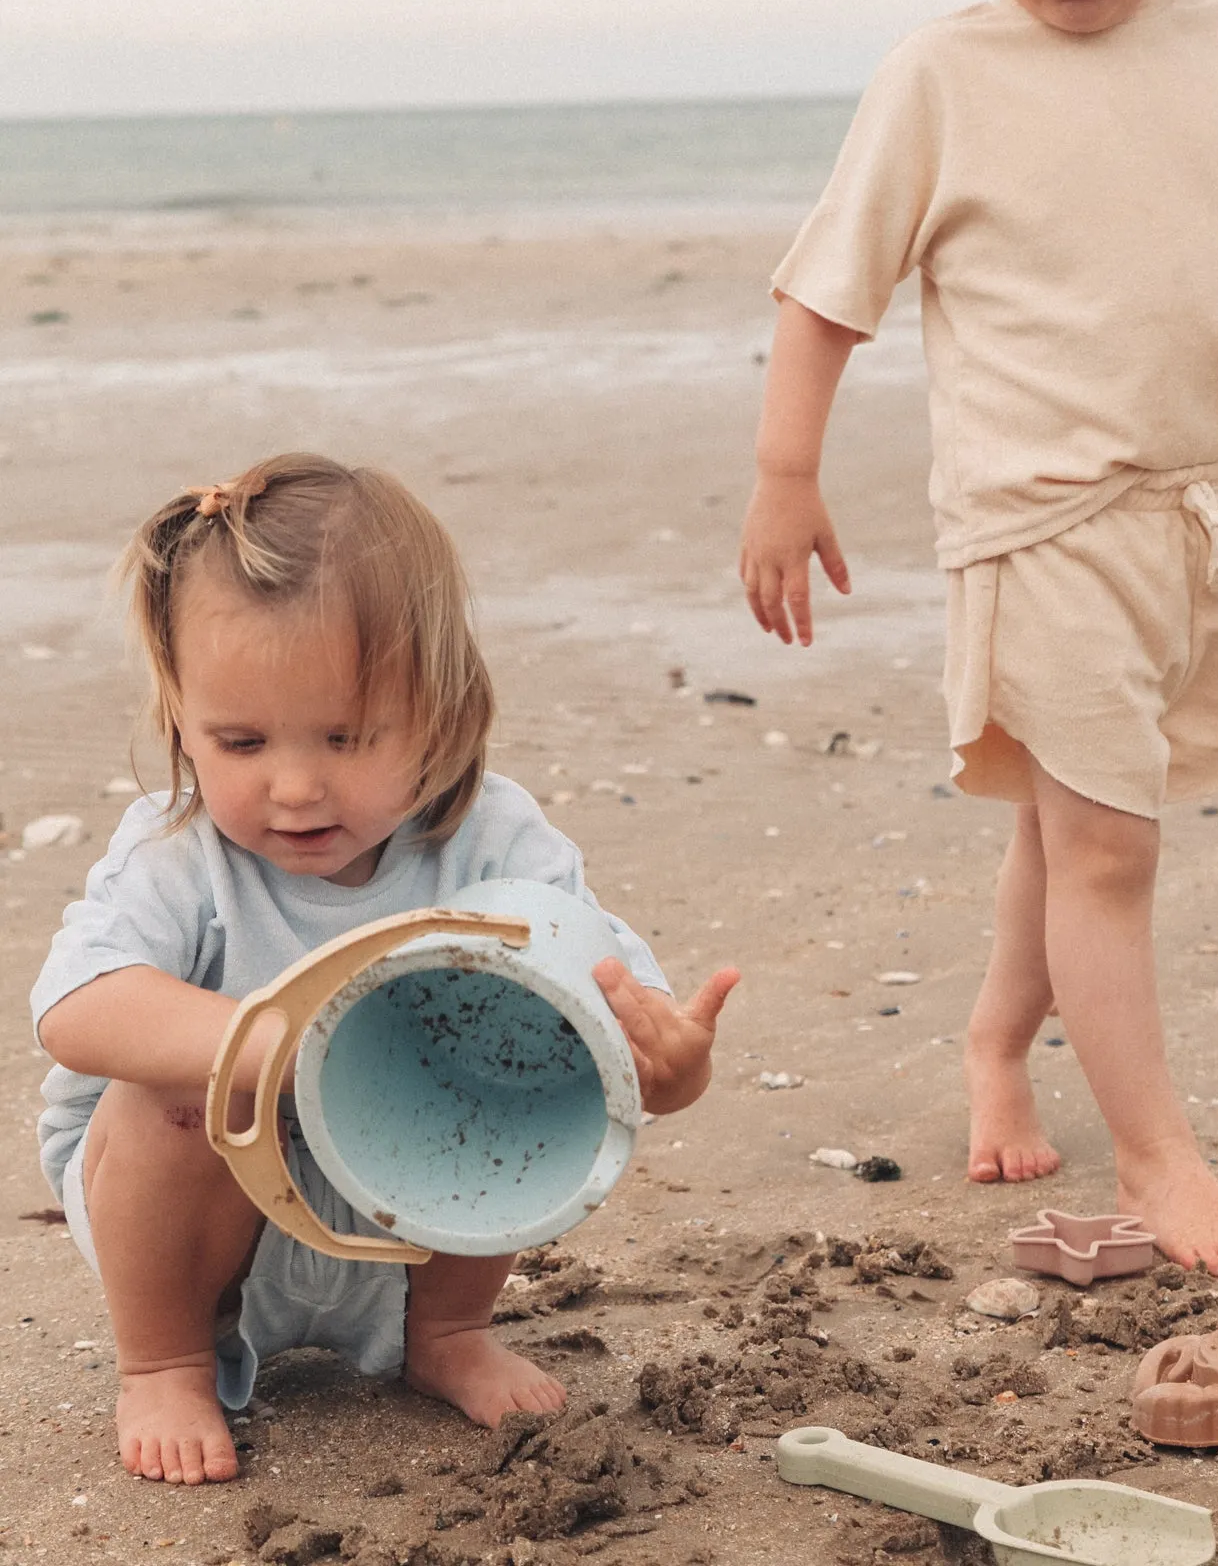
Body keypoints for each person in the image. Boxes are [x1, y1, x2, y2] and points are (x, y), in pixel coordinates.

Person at [739, 0, 1218, 1281]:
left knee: (1064, 819)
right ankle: (1157, 1164)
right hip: (1036, 522)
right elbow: (822, 293)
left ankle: (994, 1050)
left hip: (1191, 517)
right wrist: (785, 479)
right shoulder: (943, 77)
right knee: (1105, 846)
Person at [33, 454, 740, 1486]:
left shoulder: (490, 838)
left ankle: (446, 1332)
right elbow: (75, 1009)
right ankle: (168, 1365)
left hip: (413, 1214)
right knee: (175, 1087)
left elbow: (607, 1016)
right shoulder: (180, 849)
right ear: (180, 719)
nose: (294, 784)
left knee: (515, 1056)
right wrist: (269, 1039)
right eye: (239, 739)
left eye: (347, 735)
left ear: (444, 712)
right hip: (197, 1238)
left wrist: (669, 1068)